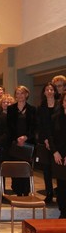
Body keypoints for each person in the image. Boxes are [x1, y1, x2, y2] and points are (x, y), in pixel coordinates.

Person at [7, 85, 37, 196]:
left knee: (26, 167)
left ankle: (26, 189)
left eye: (22, 93)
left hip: (28, 143)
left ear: (26, 95)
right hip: (15, 143)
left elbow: (34, 127)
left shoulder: (32, 109)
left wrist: (25, 137)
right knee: (16, 167)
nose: (20, 95)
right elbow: (9, 127)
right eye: (18, 93)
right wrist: (17, 139)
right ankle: (17, 190)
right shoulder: (11, 109)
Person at [36, 82, 59, 203]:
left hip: (58, 141)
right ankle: (49, 192)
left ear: (54, 91)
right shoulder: (41, 106)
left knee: (59, 169)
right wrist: (45, 139)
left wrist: (53, 140)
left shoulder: (60, 105)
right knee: (47, 169)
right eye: (47, 90)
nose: (49, 91)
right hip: (44, 142)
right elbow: (40, 125)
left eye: (51, 89)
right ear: (44, 92)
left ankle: (60, 193)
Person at [50, 91, 66, 219]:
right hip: (58, 156)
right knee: (61, 186)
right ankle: (63, 211)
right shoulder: (56, 116)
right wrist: (55, 152)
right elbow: (51, 137)